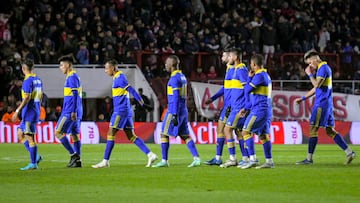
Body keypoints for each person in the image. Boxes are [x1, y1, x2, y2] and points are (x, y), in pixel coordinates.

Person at [92, 59, 158, 168]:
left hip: (120, 111)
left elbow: (131, 90)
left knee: (110, 133)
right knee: (131, 136)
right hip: (126, 111)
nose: (105, 71)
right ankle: (150, 154)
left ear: (113, 68)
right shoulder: (118, 77)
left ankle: (105, 161)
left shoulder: (119, 78)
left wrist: (142, 104)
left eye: (107, 68)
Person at [295, 50, 356, 165]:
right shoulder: (323, 69)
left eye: (310, 63)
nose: (310, 66)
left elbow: (316, 85)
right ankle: (349, 152)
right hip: (327, 104)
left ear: (314, 59)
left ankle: (309, 159)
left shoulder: (323, 68)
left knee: (313, 129)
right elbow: (316, 88)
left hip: (321, 104)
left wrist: (309, 74)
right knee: (330, 130)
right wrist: (302, 98)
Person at [152, 55, 201, 167]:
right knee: (185, 135)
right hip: (183, 109)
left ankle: (164, 160)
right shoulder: (182, 76)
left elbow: (175, 97)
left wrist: (174, 114)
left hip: (175, 109)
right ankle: (196, 158)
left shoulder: (174, 79)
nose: (165, 65)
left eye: (167, 63)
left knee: (163, 133)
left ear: (172, 64)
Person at [239, 54, 274, 169]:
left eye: (251, 64)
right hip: (264, 109)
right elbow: (256, 95)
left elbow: (247, 90)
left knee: (245, 132)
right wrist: (246, 108)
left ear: (254, 64)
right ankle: (269, 161)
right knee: (263, 136)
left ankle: (252, 159)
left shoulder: (259, 76)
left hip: (259, 110)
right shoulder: (265, 75)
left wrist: (248, 78)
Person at [219, 48, 250, 168]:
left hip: (239, 108)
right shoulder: (236, 69)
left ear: (235, 58)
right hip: (234, 106)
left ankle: (233, 158)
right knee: (239, 132)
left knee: (227, 130)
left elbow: (246, 89)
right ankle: (246, 157)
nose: (229, 59)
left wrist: (246, 106)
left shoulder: (241, 70)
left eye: (230, 57)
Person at [12, 59, 43, 170]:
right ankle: (36, 156)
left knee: (30, 138)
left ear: (23, 69)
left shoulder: (27, 81)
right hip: (33, 111)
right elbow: (41, 96)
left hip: (29, 112)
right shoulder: (38, 80)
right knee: (20, 134)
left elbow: (27, 98)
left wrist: (17, 111)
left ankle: (33, 163)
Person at [55, 56, 83, 168]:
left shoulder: (72, 77)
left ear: (68, 65)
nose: (60, 67)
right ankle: (78, 161)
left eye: (62, 65)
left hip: (70, 111)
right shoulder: (73, 77)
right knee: (75, 135)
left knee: (58, 133)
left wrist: (74, 111)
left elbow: (75, 95)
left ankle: (73, 155)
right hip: (75, 110)